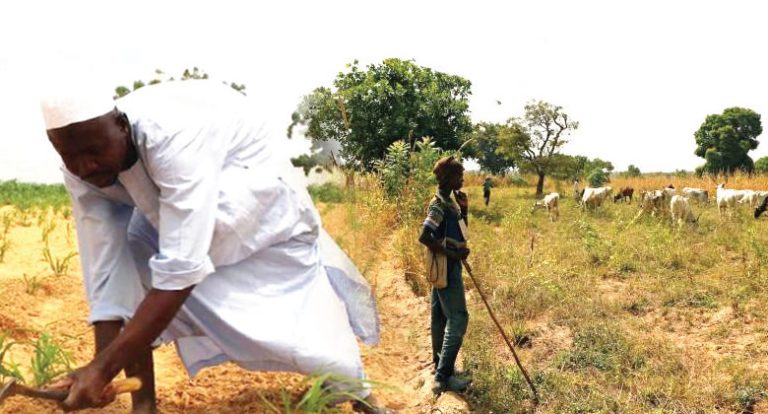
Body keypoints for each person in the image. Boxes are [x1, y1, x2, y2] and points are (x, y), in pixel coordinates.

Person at [40, 80, 390, 413]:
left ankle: (357, 391)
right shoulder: (79, 171)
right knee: (133, 253)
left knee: (312, 338)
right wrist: (102, 371)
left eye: (94, 150)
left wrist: (101, 368)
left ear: (120, 125)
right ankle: (143, 406)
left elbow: (181, 267)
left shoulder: (172, 137)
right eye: (70, 155)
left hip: (250, 199)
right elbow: (106, 268)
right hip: (177, 219)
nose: (86, 166)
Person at [418, 156, 472, 394]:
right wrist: (453, 256)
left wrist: (465, 210)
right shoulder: (438, 204)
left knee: (440, 317)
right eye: (459, 175)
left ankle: (439, 366)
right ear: (449, 178)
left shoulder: (450, 201)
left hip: (444, 265)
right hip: (445, 267)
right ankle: (443, 376)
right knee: (459, 317)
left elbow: (461, 232)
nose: (462, 179)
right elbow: (425, 236)